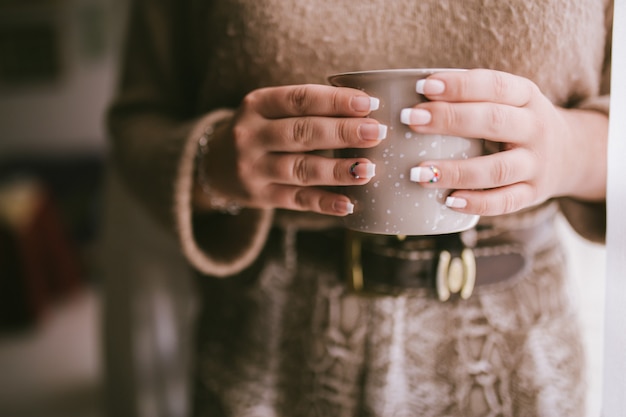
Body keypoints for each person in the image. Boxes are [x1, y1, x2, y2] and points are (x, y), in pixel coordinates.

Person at [106, 0, 612, 415]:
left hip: (518, 345)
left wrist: (575, 150)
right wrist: (214, 162)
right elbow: (137, 120)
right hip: (275, 338)